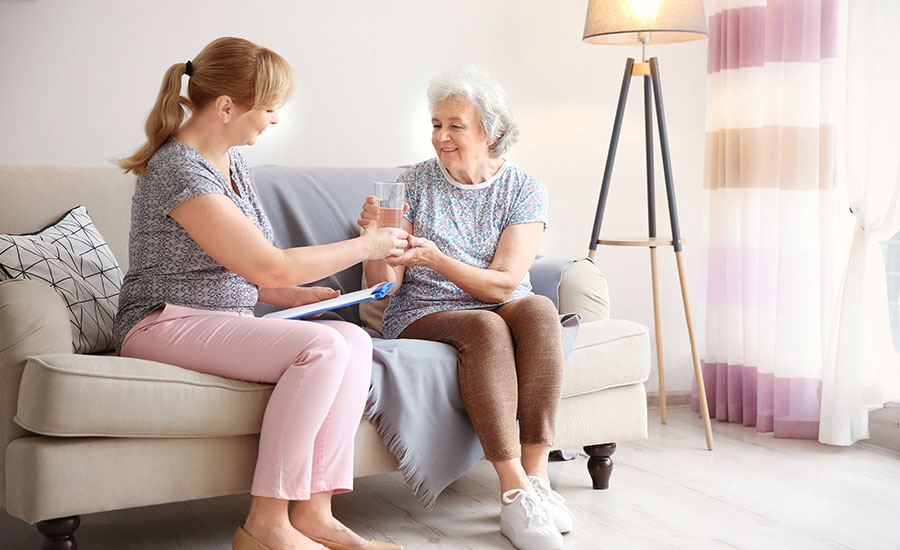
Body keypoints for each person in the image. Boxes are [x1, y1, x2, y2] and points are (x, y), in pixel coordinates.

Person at [115, 37, 406, 550]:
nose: (274, 120)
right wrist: (368, 244)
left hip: (215, 321)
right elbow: (265, 262)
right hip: (162, 322)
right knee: (322, 347)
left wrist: (289, 295)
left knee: (354, 341)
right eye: (270, 108)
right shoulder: (180, 170)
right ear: (227, 107)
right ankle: (265, 525)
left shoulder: (232, 163)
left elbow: (250, 273)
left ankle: (315, 512)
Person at [359, 65, 573, 550]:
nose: (441, 136)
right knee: (485, 328)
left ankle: (537, 480)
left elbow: (503, 286)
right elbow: (386, 288)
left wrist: (435, 255)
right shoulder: (410, 185)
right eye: (436, 125)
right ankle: (513, 490)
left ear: (490, 132)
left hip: (495, 301)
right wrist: (373, 246)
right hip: (423, 310)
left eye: (455, 125)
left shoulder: (523, 188)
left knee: (538, 309)